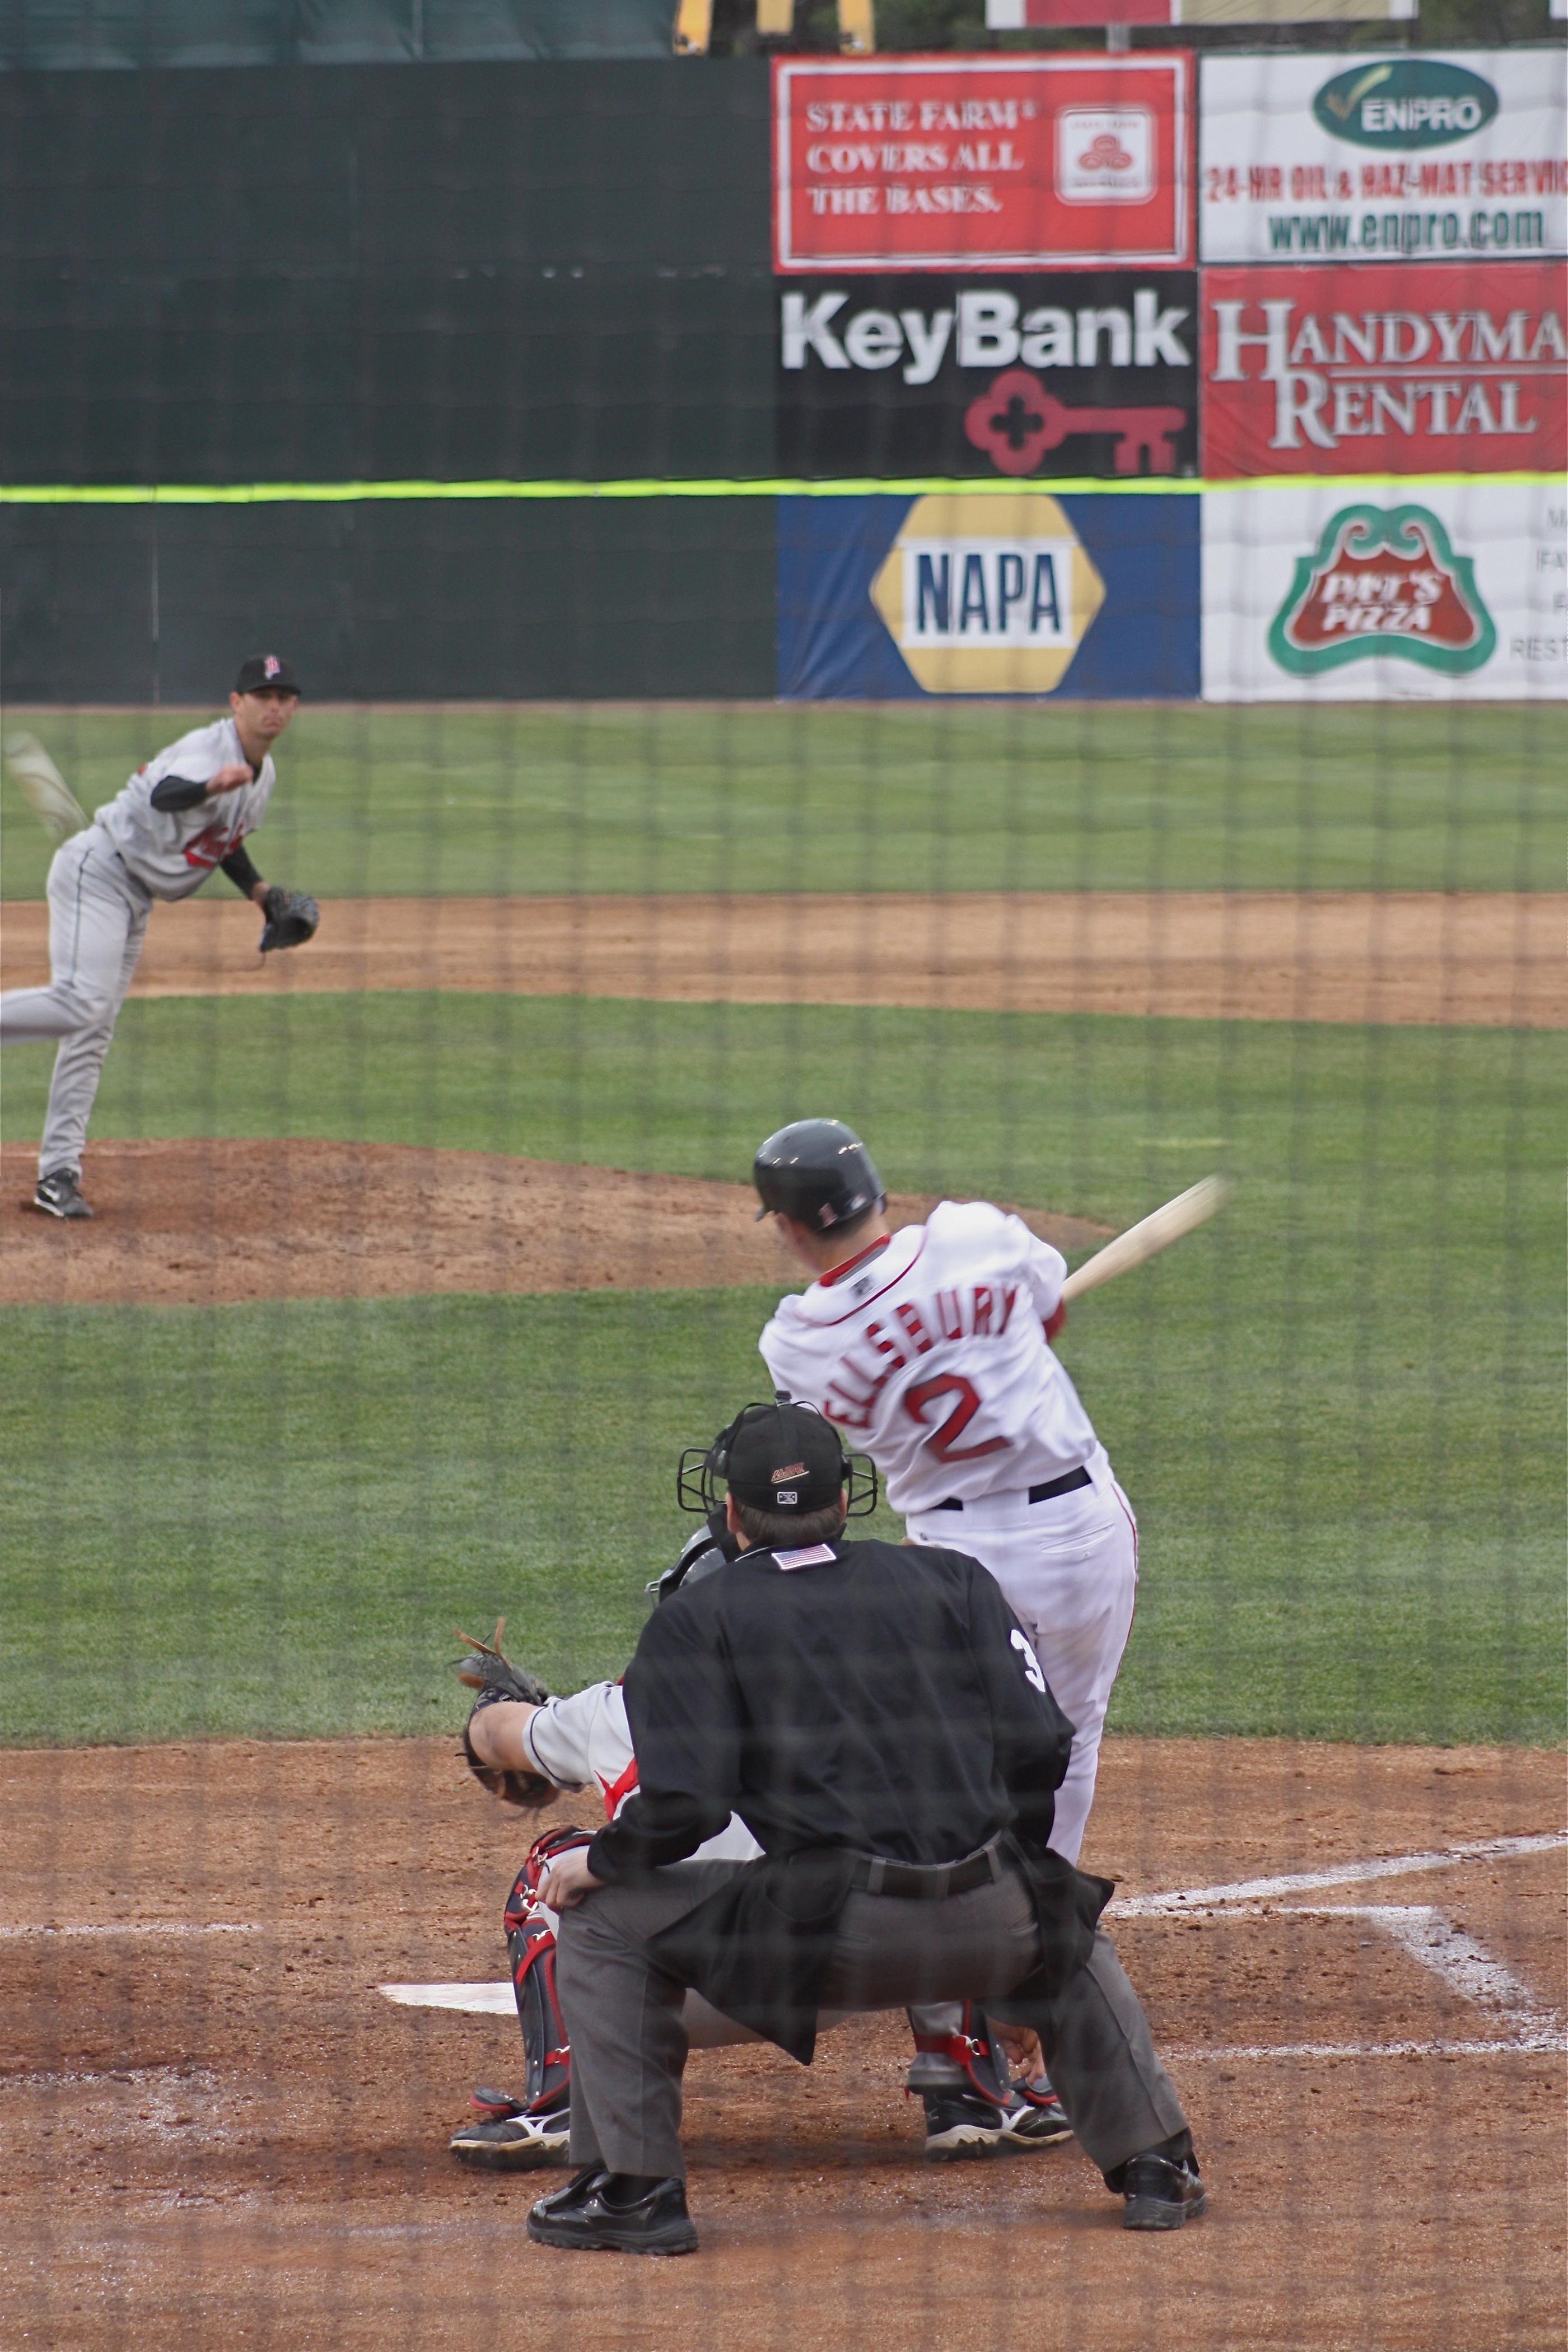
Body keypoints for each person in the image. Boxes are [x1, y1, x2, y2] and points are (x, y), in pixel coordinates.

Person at [522, 1399, 1203, 2256]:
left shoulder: (697, 1617)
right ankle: (1157, 2165)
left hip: (823, 1941)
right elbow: (1042, 1743)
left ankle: (632, 2191)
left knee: (600, 1919)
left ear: (731, 1512)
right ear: (846, 1499)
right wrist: (1023, 1875)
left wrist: (602, 1862)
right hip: (988, 1929)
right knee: (1065, 1921)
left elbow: (687, 1807)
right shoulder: (955, 1580)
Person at [450, 1497, 1060, 2171]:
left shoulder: (615, 1707)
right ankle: (972, 2095)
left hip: (679, 1987)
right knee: (933, 1834)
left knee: (550, 1864)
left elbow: (497, 1738)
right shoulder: (876, 1709)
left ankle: (562, 2104)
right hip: (854, 1968)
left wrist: (496, 1705)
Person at [750, 1118, 1139, 2146]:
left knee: (937, 1766)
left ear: (790, 1228)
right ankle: (1030, 1976)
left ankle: (959, 2039)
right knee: (1068, 1747)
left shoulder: (798, 1339)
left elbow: (825, 1442)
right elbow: (1048, 1311)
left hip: (951, 1567)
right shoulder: (975, 1235)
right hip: (1078, 1529)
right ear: (877, 1189)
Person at [0, 655, 310, 1219]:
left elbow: (223, 842)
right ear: (237, 703)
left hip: (135, 898)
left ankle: (56, 1176)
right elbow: (164, 794)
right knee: (81, 1002)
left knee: (91, 1031)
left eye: (284, 697)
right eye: (262, 697)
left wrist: (261, 894)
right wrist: (210, 784)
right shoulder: (208, 750)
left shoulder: (262, 775)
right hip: (100, 872)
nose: (274, 707)